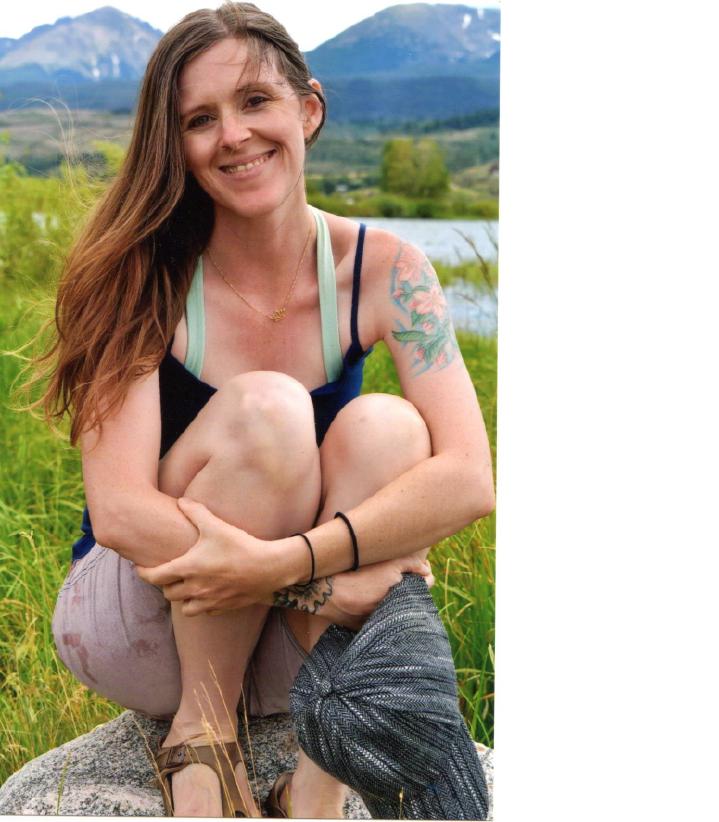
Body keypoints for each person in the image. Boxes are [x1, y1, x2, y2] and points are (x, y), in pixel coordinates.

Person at [29, 2, 494, 817]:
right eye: (199, 120)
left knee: (390, 428)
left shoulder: (389, 270)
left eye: (254, 102)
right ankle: (199, 742)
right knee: (272, 414)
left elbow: (470, 479)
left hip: (297, 641)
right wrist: (314, 586)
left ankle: (317, 781)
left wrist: (288, 570)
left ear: (306, 109)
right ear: (175, 146)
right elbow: (120, 511)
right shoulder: (148, 273)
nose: (233, 136)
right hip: (151, 613)